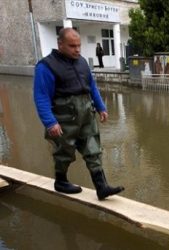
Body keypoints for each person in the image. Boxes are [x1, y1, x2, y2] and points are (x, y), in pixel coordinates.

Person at [33, 28, 124, 200]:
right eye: (72, 46)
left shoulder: (82, 62)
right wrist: (50, 122)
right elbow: (41, 96)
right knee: (64, 151)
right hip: (64, 117)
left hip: (86, 113)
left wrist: (101, 107)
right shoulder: (46, 66)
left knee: (93, 148)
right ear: (60, 44)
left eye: (79, 45)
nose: (77, 49)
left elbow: (92, 87)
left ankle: (101, 187)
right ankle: (60, 181)